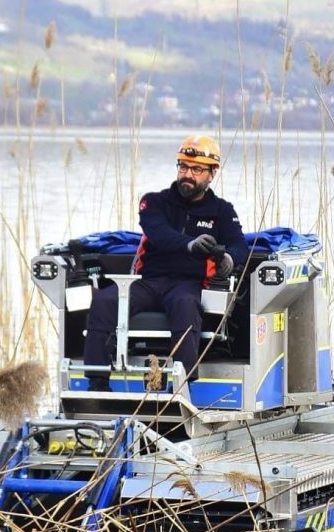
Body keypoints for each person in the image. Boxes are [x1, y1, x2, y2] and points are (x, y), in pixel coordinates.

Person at [83, 135, 248, 391]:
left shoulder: (222, 211)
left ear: (211, 174)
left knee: (185, 304)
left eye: (196, 169)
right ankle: (97, 383)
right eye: (183, 167)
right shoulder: (154, 202)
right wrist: (189, 245)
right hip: (149, 282)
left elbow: (240, 245)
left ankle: (181, 387)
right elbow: (158, 232)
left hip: (188, 284)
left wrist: (228, 258)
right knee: (105, 300)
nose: (188, 175)